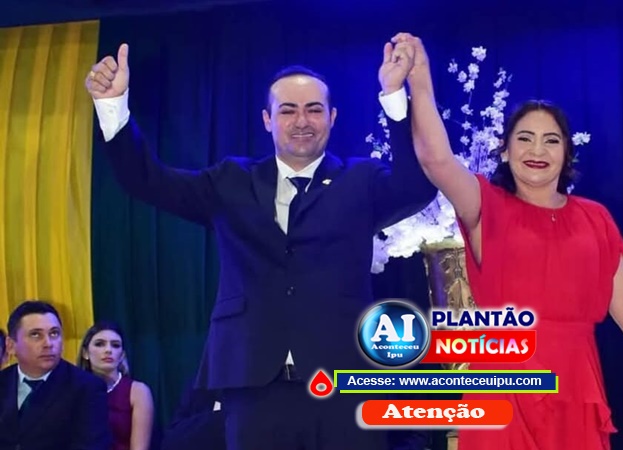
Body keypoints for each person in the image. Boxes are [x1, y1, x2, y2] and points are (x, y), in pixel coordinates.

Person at [83, 38, 436, 450]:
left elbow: (416, 186)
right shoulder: (230, 181)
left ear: (333, 117)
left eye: (314, 109)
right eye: (287, 110)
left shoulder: (361, 180)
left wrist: (394, 96)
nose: (301, 120)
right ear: (267, 120)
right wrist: (113, 108)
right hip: (252, 381)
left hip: (344, 380)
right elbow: (148, 181)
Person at [394, 33, 623, 449]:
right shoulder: (485, 204)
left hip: (576, 383)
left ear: (567, 153)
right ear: (504, 150)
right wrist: (420, 81)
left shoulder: (595, 218)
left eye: (551, 140)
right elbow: (436, 159)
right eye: (524, 138)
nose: (537, 149)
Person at [0, 300, 111, 450]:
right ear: (11, 345)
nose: (48, 343)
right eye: (35, 335)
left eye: (54, 333)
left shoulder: (87, 388)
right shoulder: (3, 381)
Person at [78, 321, 155, 450]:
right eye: (100, 344)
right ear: (85, 353)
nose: (108, 350)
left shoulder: (138, 392)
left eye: (115, 345)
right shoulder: (74, 390)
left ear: (122, 355)